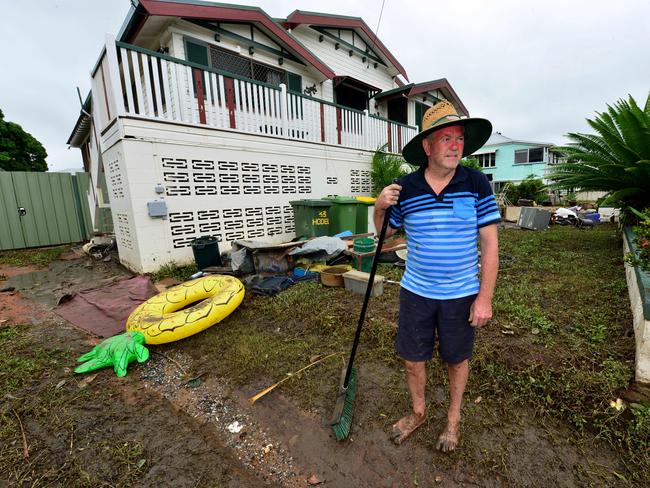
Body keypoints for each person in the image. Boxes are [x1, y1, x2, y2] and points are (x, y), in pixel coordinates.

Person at [374, 100, 500, 451]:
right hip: (416, 292)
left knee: (457, 360)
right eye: (446, 138)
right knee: (413, 359)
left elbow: (490, 246)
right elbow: (385, 235)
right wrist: (378, 207)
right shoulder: (406, 187)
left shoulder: (476, 183)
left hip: (461, 293)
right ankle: (418, 413)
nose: (455, 145)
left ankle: (453, 420)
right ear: (427, 147)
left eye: (458, 137)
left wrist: (484, 298)